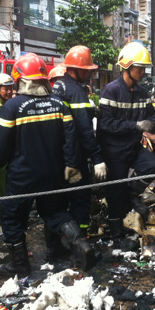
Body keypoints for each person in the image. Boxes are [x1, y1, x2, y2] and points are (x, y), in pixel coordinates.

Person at [0, 53, 95, 275]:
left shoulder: (12, 106)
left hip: (22, 176)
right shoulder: (59, 104)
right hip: (54, 174)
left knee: (12, 217)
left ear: (20, 79)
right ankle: (79, 243)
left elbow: (1, 144)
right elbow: (70, 140)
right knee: (55, 212)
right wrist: (71, 165)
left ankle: (20, 265)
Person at [97, 42, 155, 245]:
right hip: (113, 149)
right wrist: (136, 125)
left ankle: (131, 192)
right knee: (114, 192)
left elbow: (151, 117)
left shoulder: (143, 93)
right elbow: (106, 124)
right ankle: (117, 234)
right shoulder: (110, 91)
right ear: (126, 66)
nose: (143, 72)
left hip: (133, 147)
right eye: (140, 68)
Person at [52, 46, 107, 245]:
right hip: (75, 157)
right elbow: (84, 130)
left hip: (57, 156)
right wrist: (97, 157)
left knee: (59, 200)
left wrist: (90, 112)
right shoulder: (76, 92)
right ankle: (81, 240)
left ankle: (59, 242)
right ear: (77, 69)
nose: (90, 73)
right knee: (80, 198)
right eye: (88, 70)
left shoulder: (57, 86)